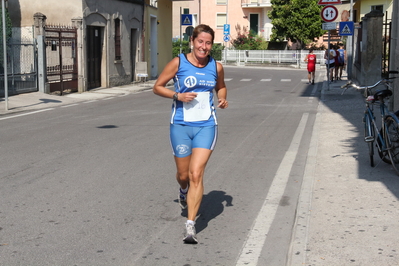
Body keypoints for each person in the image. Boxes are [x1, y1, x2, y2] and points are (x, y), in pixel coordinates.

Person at [153, 24, 228, 244]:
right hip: (180, 126)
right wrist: (177, 95)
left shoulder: (216, 66)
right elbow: (157, 87)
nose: (204, 47)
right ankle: (183, 190)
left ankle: (190, 225)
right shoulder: (179, 62)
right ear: (192, 42)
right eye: (200, 42)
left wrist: (223, 98)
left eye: (208, 43)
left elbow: (221, 87)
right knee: (184, 175)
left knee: (197, 173)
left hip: (206, 126)